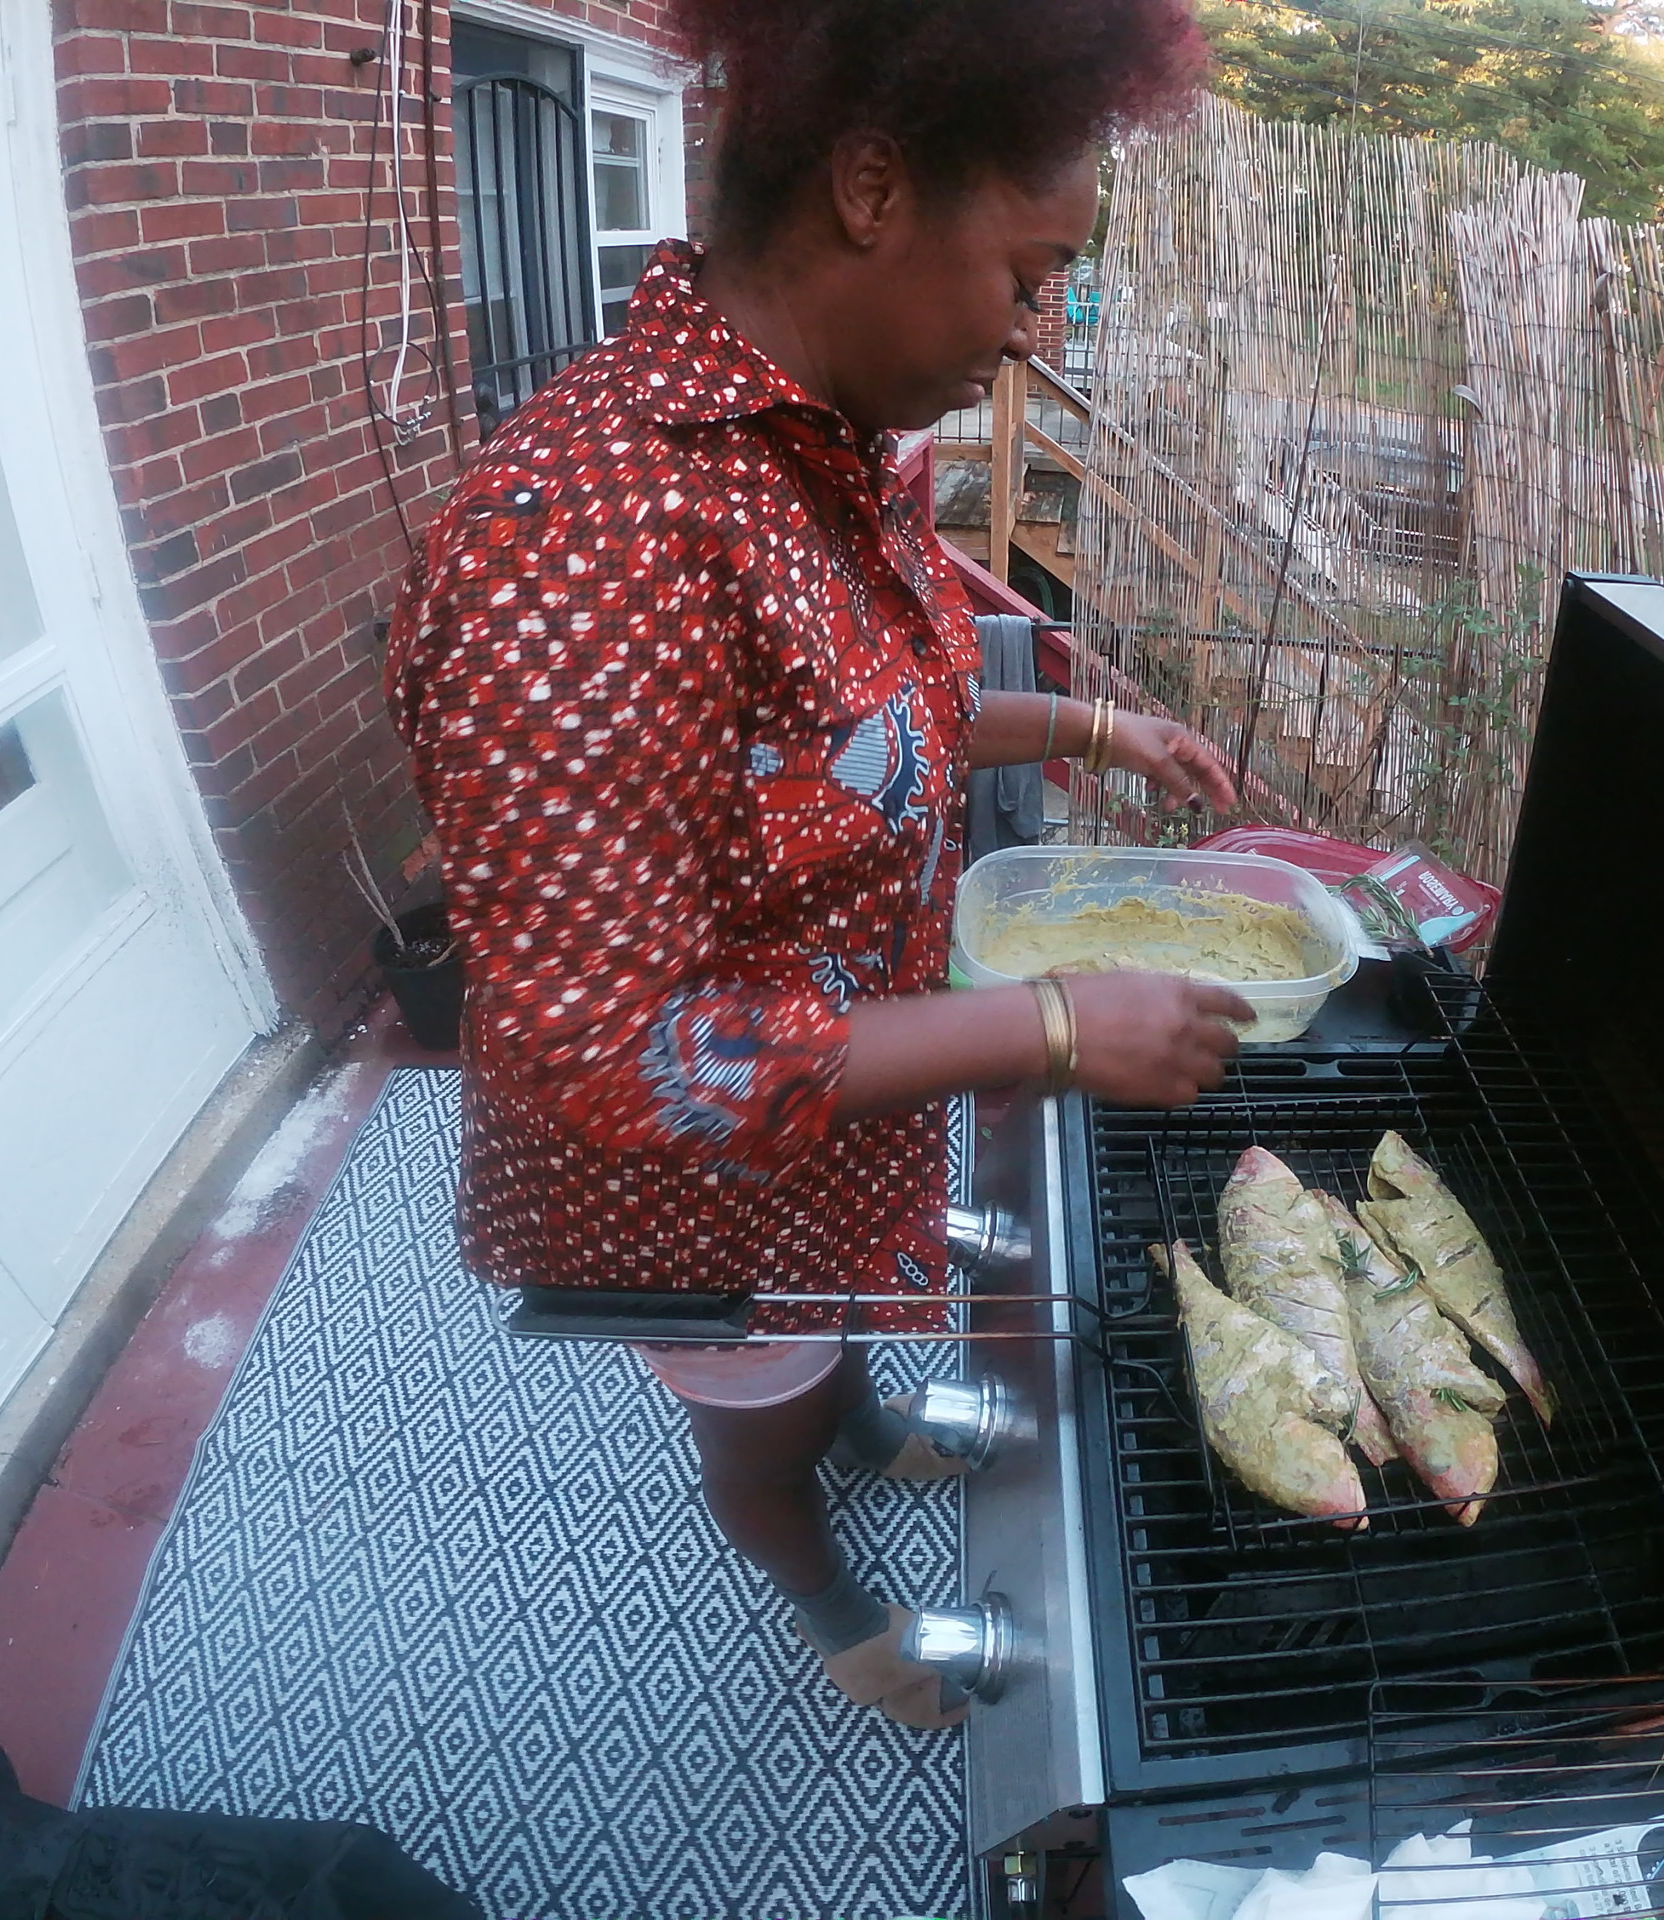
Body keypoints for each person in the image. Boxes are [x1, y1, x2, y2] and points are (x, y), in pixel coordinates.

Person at [387, 0, 1228, 1731]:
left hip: (831, 1137)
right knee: (759, 1423)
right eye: (1029, 269)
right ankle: (831, 1599)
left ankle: (851, 1411)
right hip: (688, 1204)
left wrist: (1094, 736)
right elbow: (603, 1051)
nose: (1036, 329)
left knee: (823, 1349)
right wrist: (1054, 1027)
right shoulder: (592, 536)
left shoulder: (826, 456)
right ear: (870, 187)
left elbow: (878, 728)